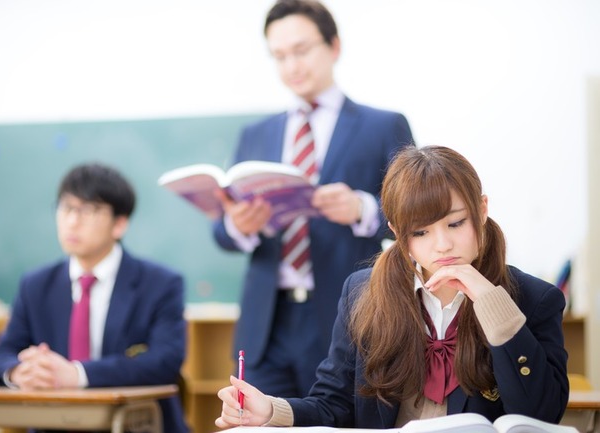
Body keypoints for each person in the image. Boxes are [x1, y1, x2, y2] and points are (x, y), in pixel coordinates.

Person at [215, 145, 569, 429]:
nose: (442, 245)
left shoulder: (534, 299)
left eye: (456, 223)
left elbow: (541, 415)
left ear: (482, 209)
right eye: (421, 232)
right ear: (398, 232)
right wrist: (270, 410)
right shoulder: (364, 294)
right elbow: (334, 405)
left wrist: (493, 305)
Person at [213, 0, 414, 398]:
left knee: (340, 418)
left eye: (301, 50)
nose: (292, 65)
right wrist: (238, 225)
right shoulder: (255, 135)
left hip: (347, 313)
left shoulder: (382, 126)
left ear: (334, 46)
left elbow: (415, 215)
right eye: (279, 56)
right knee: (258, 421)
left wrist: (361, 208)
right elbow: (221, 231)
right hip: (265, 323)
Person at [0, 163, 189, 433]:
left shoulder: (160, 284)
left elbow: (164, 361)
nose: (72, 221)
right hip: (56, 426)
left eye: (89, 210)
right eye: (66, 208)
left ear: (119, 223)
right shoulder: (35, 285)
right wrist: (19, 372)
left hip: (135, 425)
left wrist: (77, 374)